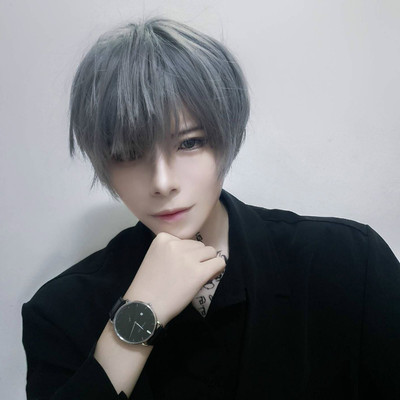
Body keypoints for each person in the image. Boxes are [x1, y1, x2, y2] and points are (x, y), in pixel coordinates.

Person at [22, 18, 400, 400]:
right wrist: (138, 315)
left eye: (190, 143)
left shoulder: (349, 262)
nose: (162, 182)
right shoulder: (60, 313)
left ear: (226, 136)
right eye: (129, 153)